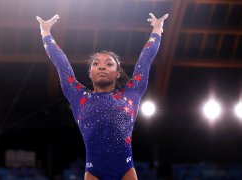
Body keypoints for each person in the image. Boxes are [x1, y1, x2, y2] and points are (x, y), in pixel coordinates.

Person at [36, 12, 168, 180]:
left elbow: (146, 58)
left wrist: (157, 29)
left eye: (109, 64)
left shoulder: (131, 92)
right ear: (90, 73)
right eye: (96, 64)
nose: (102, 67)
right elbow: (61, 62)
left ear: (117, 73)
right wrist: (45, 32)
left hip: (126, 170)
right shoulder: (77, 95)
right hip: (94, 173)